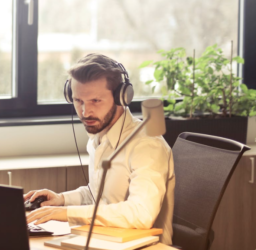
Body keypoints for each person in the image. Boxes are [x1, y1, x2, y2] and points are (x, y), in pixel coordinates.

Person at [25, 53, 175, 245]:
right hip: (103, 240)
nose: (85, 112)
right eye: (78, 101)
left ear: (122, 97)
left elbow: (141, 214)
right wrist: (61, 200)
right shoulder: (99, 137)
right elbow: (98, 196)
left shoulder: (147, 145)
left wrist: (67, 213)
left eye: (95, 101)